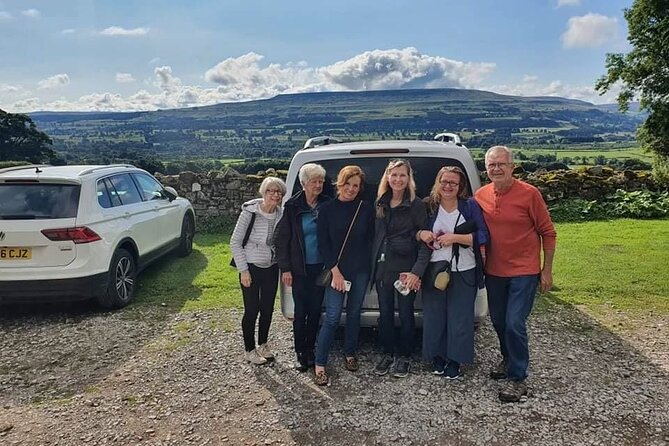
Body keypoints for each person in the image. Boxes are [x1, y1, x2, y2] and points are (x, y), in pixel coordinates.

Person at [475, 145, 557, 403]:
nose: (496, 168)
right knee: (498, 321)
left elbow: (548, 232)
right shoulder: (481, 195)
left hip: (524, 270)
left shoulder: (529, 194)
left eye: (501, 164)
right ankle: (508, 358)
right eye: (491, 165)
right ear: (486, 169)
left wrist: (546, 270)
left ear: (512, 166)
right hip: (495, 271)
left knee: (514, 322)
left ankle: (518, 378)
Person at [416, 166, 489, 380]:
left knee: (460, 318)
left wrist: (455, 238)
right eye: (444, 181)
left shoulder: (470, 206)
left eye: (453, 183)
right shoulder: (427, 206)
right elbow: (414, 232)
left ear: (460, 186)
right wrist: (421, 233)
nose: (448, 186)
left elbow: (484, 235)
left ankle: (455, 360)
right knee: (434, 316)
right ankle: (437, 356)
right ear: (437, 183)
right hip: (434, 270)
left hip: (464, 269)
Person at [313, 165, 375, 386]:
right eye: (347, 183)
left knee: (354, 313)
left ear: (360, 188)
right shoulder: (327, 209)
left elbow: (369, 240)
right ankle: (319, 363)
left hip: (360, 270)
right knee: (331, 317)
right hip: (336, 271)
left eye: (355, 185)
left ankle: (350, 353)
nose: (351, 188)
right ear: (340, 183)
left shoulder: (365, 208)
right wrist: (335, 271)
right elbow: (323, 244)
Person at [370, 159, 427, 378]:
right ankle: (387, 352)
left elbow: (425, 240)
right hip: (383, 267)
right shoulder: (380, 203)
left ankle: (404, 355)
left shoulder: (416, 204)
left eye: (402, 175)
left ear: (409, 178)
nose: (398, 179)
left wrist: (417, 271)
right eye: (393, 175)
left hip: (405, 269)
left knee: (405, 313)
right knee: (384, 313)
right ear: (387, 177)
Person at [274, 163, 330, 372]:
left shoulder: (327, 204)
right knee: (301, 312)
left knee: (315, 312)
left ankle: (311, 350)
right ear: (303, 183)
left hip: (320, 268)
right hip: (299, 270)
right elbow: (281, 240)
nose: (319, 185)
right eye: (314, 181)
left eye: (321, 181)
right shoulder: (293, 206)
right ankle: (300, 352)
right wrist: (285, 269)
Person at [230, 176, 287, 365]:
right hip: (251, 267)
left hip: (271, 266)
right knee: (252, 309)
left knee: (268, 309)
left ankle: (263, 344)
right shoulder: (250, 213)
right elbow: (235, 242)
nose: (275, 194)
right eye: (271, 190)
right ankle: (249, 349)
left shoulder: (281, 214)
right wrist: (243, 270)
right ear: (263, 192)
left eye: (278, 191)